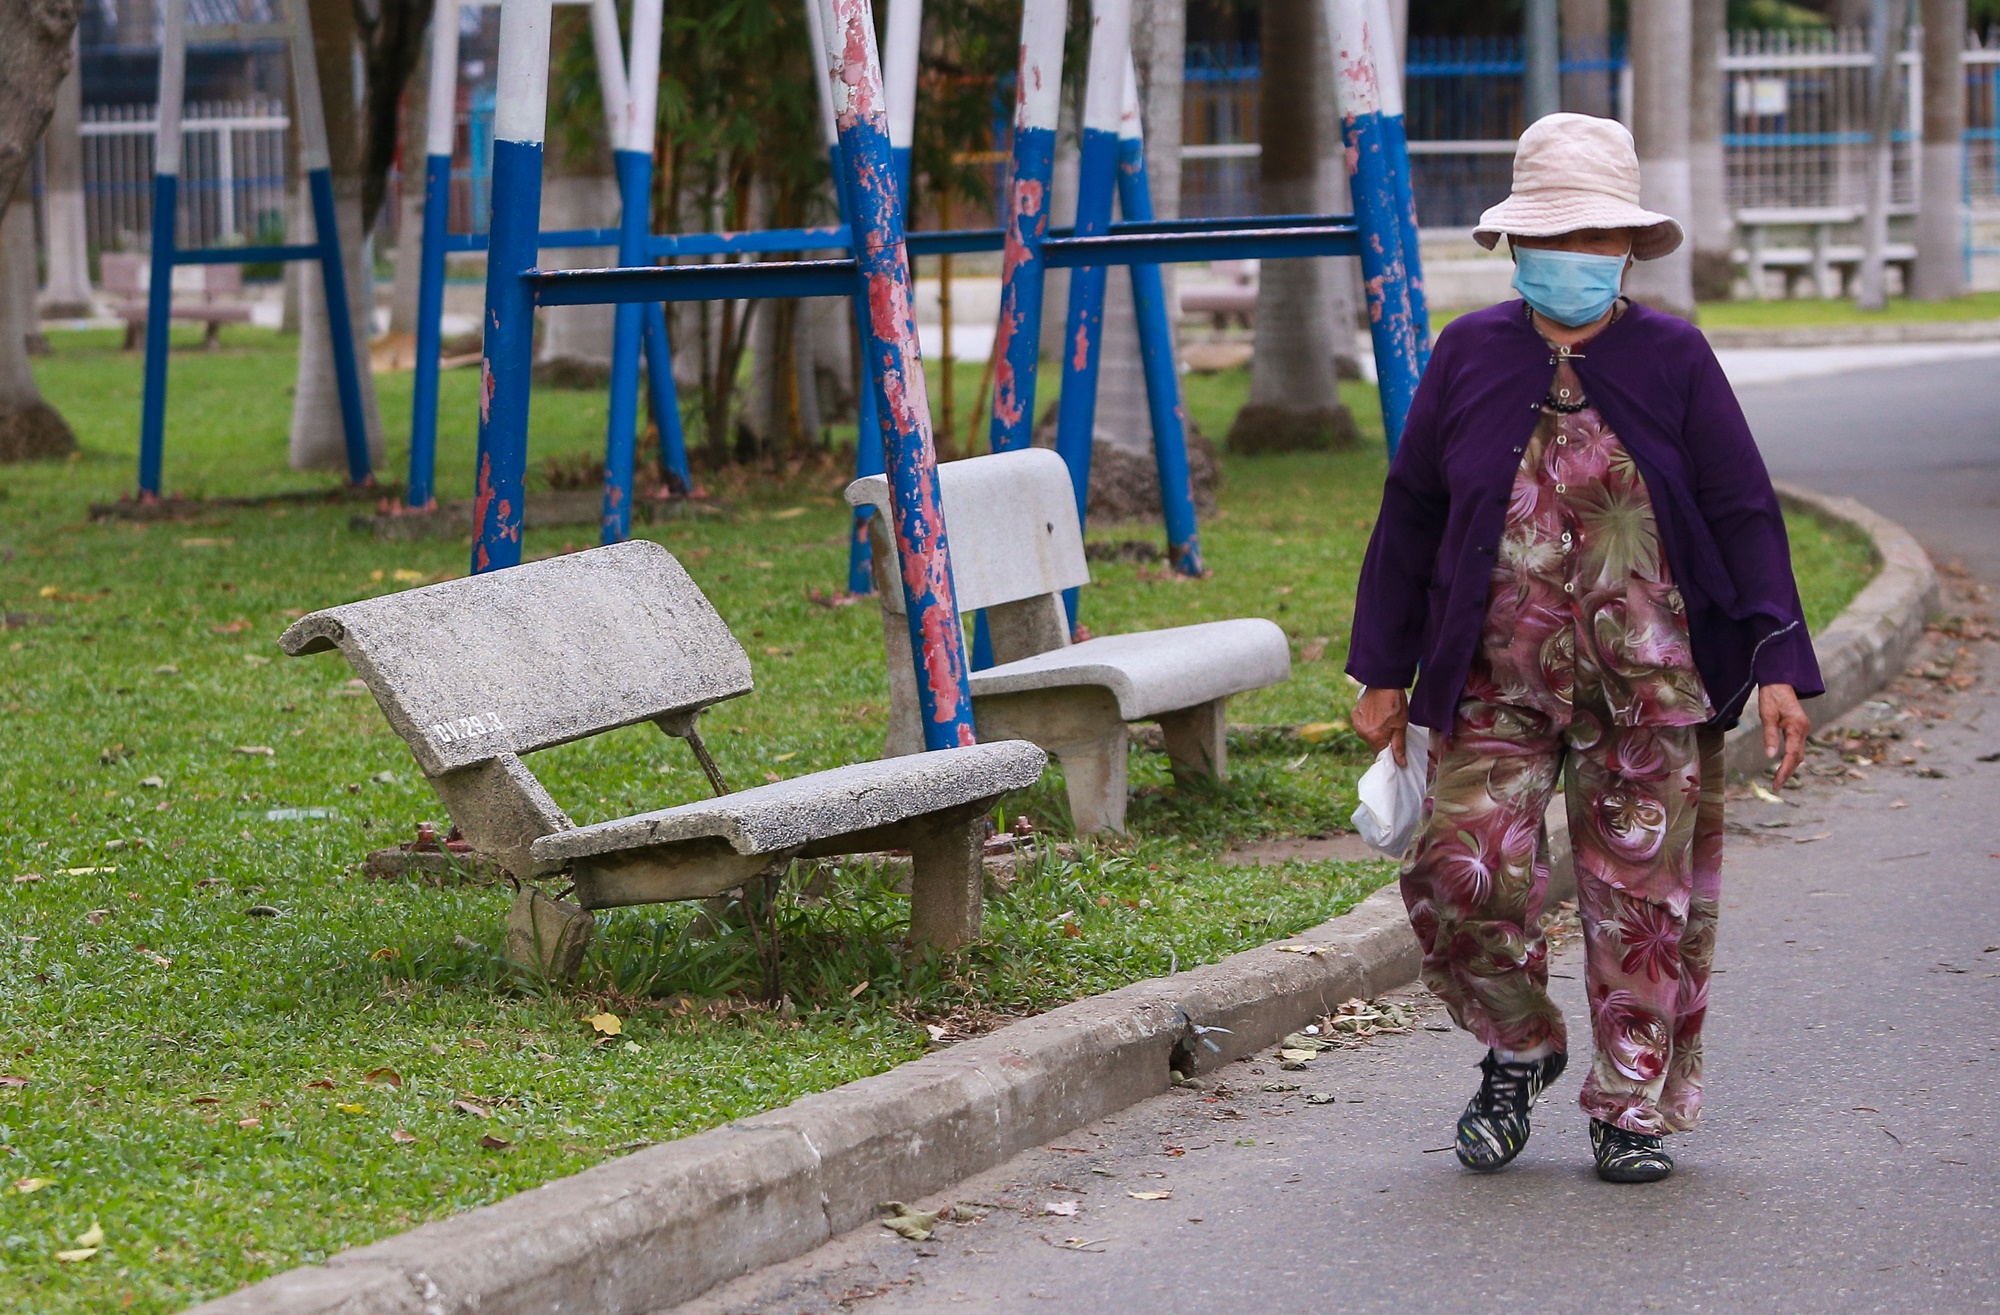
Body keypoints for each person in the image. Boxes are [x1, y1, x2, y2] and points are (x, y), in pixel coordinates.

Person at [1346, 113, 1820, 1184]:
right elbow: (1412, 509)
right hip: (1488, 679)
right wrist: (1381, 667)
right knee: (1458, 874)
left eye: (1591, 236)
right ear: (1514, 247)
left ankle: (1628, 1108)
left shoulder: (1673, 357)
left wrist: (1781, 659)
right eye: (1548, 239)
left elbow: (1741, 509)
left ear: (1624, 246)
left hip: (1652, 684)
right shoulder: (1468, 353)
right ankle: (1517, 1048)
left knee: (1641, 909)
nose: (1569, 257)